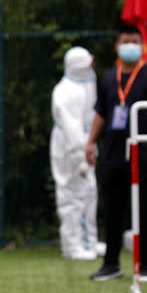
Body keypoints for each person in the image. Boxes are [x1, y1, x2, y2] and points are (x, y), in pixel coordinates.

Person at [84, 24, 147, 281]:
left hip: (143, 152)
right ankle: (111, 263)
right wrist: (90, 142)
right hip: (113, 152)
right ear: (117, 46)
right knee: (112, 210)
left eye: (134, 40)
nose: (129, 44)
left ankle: (145, 264)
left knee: (144, 209)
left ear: (141, 45)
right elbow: (101, 112)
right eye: (125, 40)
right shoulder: (109, 77)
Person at [50, 46, 102, 260]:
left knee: (89, 192)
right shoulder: (66, 92)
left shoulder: (85, 84)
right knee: (73, 194)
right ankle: (73, 246)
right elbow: (71, 126)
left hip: (84, 143)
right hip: (72, 147)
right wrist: (80, 155)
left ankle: (89, 239)